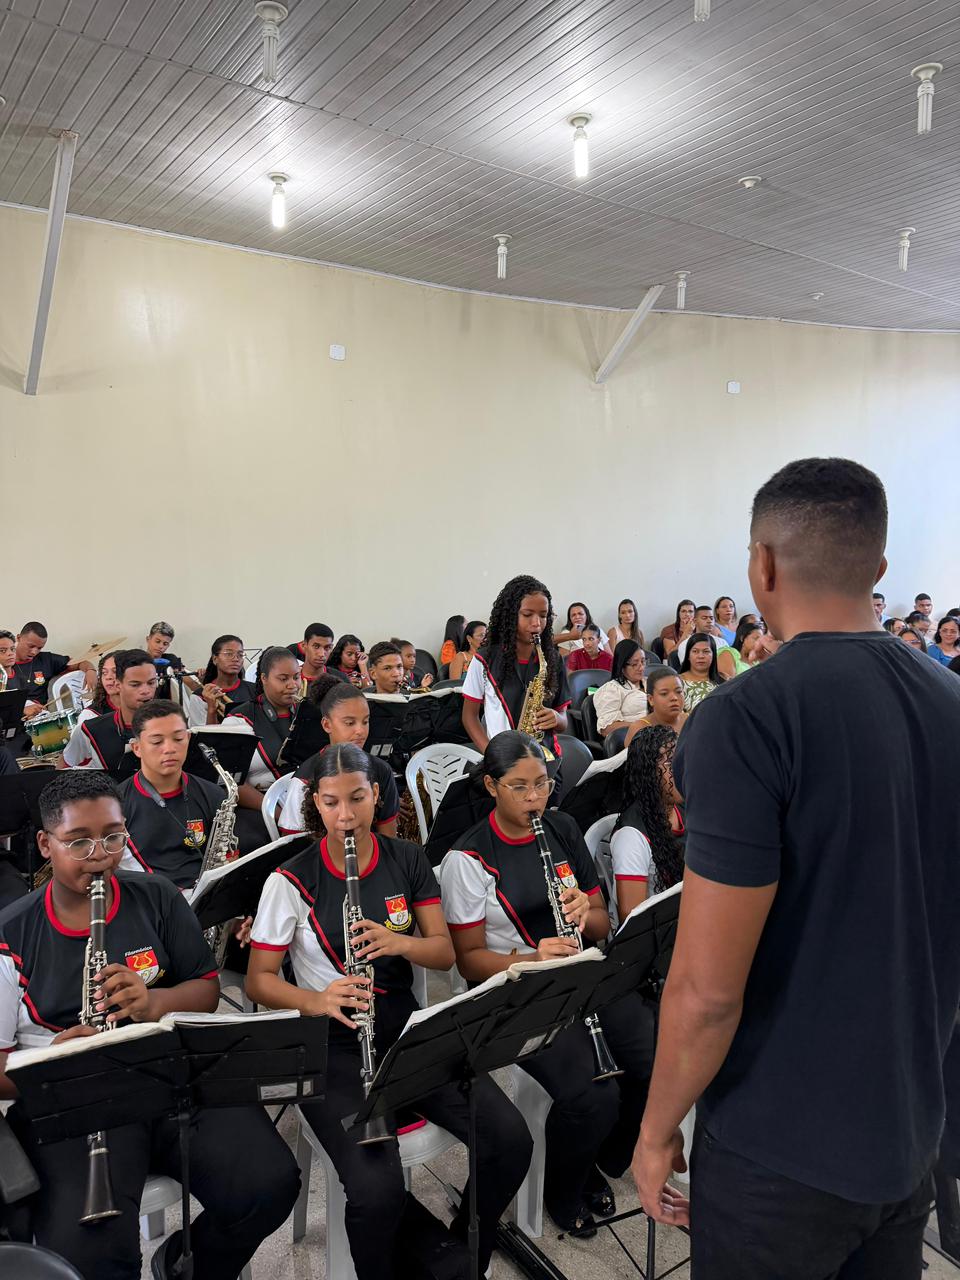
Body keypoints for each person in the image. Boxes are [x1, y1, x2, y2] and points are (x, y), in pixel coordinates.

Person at [631, 457, 960, 1280]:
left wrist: (656, 1127)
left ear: (762, 567)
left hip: (781, 1148)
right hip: (910, 1124)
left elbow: (708, 992)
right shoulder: (950, 704)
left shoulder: (746, 719)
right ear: (878, 570)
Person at [246, 743, 531, 1280]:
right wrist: (318, 999)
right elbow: (260, 980)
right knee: (377, 1190)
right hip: (328, 1043)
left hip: (405, 1030)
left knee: (511, 1138)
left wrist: (397, 945)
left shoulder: (406, 858)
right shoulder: (290, 880)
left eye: (357, 798)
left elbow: (443, 952)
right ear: (316, 804)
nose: (346, 815)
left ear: (377, 795)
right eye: (331, 803)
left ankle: (463, 1248)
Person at [0, 771, 300, 1280]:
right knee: (88, 1253)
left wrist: (153, 1001)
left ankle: (189, 1262)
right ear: (46, 845)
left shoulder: (157, 897)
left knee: (268, 1184)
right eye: (78, 842)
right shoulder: (11, 933)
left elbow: (205, 989)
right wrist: (50, 1058)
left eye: (113, 837)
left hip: (169, 1079)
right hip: (74, 1101)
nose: (100, 855)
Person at [440, 731, 654, 1233]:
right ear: (492, 786)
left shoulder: (560, 828)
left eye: (544, 784)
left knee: (650, 1057)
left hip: (581, 974)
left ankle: (599, 1158)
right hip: (516, 992)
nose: (536, 797)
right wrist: (532, 956)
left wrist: (585, 910)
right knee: (594, 1094)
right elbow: (469, 962)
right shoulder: (468, 859)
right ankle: (566, 1187)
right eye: (520, 786)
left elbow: (602, 920)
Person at [116, 701, 227, 888]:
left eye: (178, 738)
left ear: (189, 738)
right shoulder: (115, 805)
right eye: (157, 741)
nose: (169, 749)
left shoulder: (214, 794)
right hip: (149, 901)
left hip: (206, 899)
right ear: (137, 748)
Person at [461, 574, 570, 758]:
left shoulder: (552, 659)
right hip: (504, 759)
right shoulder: (484, 659)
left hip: (545, 759)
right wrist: (493, 757)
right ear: (510, 615)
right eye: (527, 615)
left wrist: (556, 718)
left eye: (543, 616)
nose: (537, 623)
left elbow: (563, 720)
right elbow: (469, 717)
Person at [277, 678, 400, 837]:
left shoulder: (381, 770)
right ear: (327, 725)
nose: (360, 731)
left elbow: (389, 839)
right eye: (349, 723)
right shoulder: (304, 779)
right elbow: (295, 846)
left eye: (365, 721)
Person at [611, 725, 686, 920]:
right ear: (648, 772)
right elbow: (632, 918)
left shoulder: (686, 810)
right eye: (670, 764)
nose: (682, 769)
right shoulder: (631, 836)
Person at [224, 647, 300, 810]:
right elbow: (231, 783)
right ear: (264, 678)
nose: (293, 685)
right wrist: (277, 815)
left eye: (296, 677)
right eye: (283, 679)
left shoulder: (308, 713)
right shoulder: (238, 720)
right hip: (262, 809)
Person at [62, 649, 159, 771]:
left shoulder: (170, 720)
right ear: (118, 685)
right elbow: (62, 770)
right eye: (135, 684)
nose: (146, 691)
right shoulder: (90, 730)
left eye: (151, 683)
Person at [12, 621, 96, 703]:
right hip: (13, 714)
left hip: (42, 714)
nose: (34, 652)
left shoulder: (46, 659)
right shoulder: (4, 664)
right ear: (18, 638)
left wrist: (91, 670)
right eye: (31, 646)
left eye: (39, 648)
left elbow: (80, 663)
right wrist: (24, 709)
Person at [593, 641, 648, 737]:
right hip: (635, 739)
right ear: (622, 666)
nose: (641, 667)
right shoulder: (612, 689)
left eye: (643, 661)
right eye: (635, 664)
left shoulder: (651, 683)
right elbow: (607, 728)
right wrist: (644, 726)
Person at [197, 635, 256, 723]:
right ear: (215, 659)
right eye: (229, 654)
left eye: (240, 655)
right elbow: (201, 735)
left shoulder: (256, 690)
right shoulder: (200, 696)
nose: (236, 659)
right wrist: (211, 710)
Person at [624, 669, 687, 746]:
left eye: (679, 692)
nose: (674, 698)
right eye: (664, 694)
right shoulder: (639, 729)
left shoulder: (690, 720)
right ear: (651, 699)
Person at [678, 634, 724, 711]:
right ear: (688, 656)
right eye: (695, 651)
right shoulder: (678, 682)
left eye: (706, 651)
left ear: (713, 655)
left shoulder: (723, 681)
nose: (700, 656)